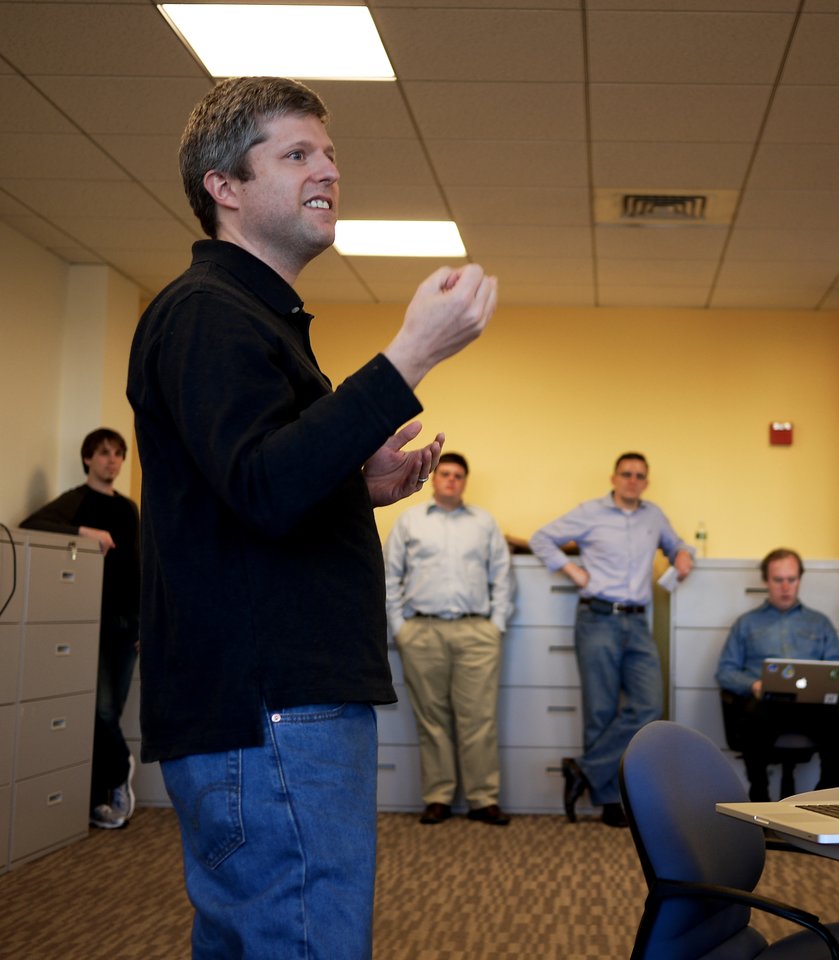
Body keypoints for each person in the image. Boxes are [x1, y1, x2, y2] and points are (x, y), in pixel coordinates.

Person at [126, 77, 496, 958]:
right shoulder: (208, 314)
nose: (327, 170)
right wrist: (410, 355)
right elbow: (261, 485)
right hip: (272, 714)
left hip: (271, 712)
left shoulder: (253, 318)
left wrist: (350, 484)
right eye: (297, 154)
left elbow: (260, 485)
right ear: (224, 186)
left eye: (329, 155)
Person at [530, 452, 693, 827]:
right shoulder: (590, 512)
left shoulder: (654, 515)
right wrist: (572, 570)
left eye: (639, 475)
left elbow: (677, 544)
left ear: (646, 482)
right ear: (614, 478)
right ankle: (609, 801)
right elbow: (542, 538)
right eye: (626, 474)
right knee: (601, 711)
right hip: (598, 618)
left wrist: (683, 554)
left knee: (649, 705)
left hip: (637, 623)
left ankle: (584, 769)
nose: (632, 480)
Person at [384, 452, 515, 826]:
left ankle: (482, 798)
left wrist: (496, 624)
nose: (451, 480)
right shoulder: (410, 522)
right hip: (421, 632)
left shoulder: (483, 523)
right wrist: (401, 628)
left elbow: (501, 575)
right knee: (432, 718)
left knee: (480, 718)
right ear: (435, 478)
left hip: (476, 632)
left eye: (458, 475)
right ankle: (438, 796)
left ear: (464, 481)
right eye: (445, 473)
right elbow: (390, 576)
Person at [21, 427, 140, 831]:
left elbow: (139, 569)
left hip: (127, 625)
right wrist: (82, 533)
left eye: (118, 454)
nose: (112, 460)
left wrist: (144, 624)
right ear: (88, 458)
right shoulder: (77, 501)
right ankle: (122, 769)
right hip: (91, 622)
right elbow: (32, 524)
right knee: (100, 710)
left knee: (108, 713)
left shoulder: (128, 510)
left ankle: (95, 800)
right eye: (104, 453)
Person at [715, 548, 839, 801]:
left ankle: (825, 798)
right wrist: (754, 685)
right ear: (766, 581)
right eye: (778, 580)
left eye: (791, 579)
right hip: (767, 707)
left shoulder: (819, 623)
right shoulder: (746, 623)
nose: (785, 587)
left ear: (799, 580)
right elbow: (725, 671)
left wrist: (824, 685)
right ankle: (760, 796)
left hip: (813, 708)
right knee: (751, 720)